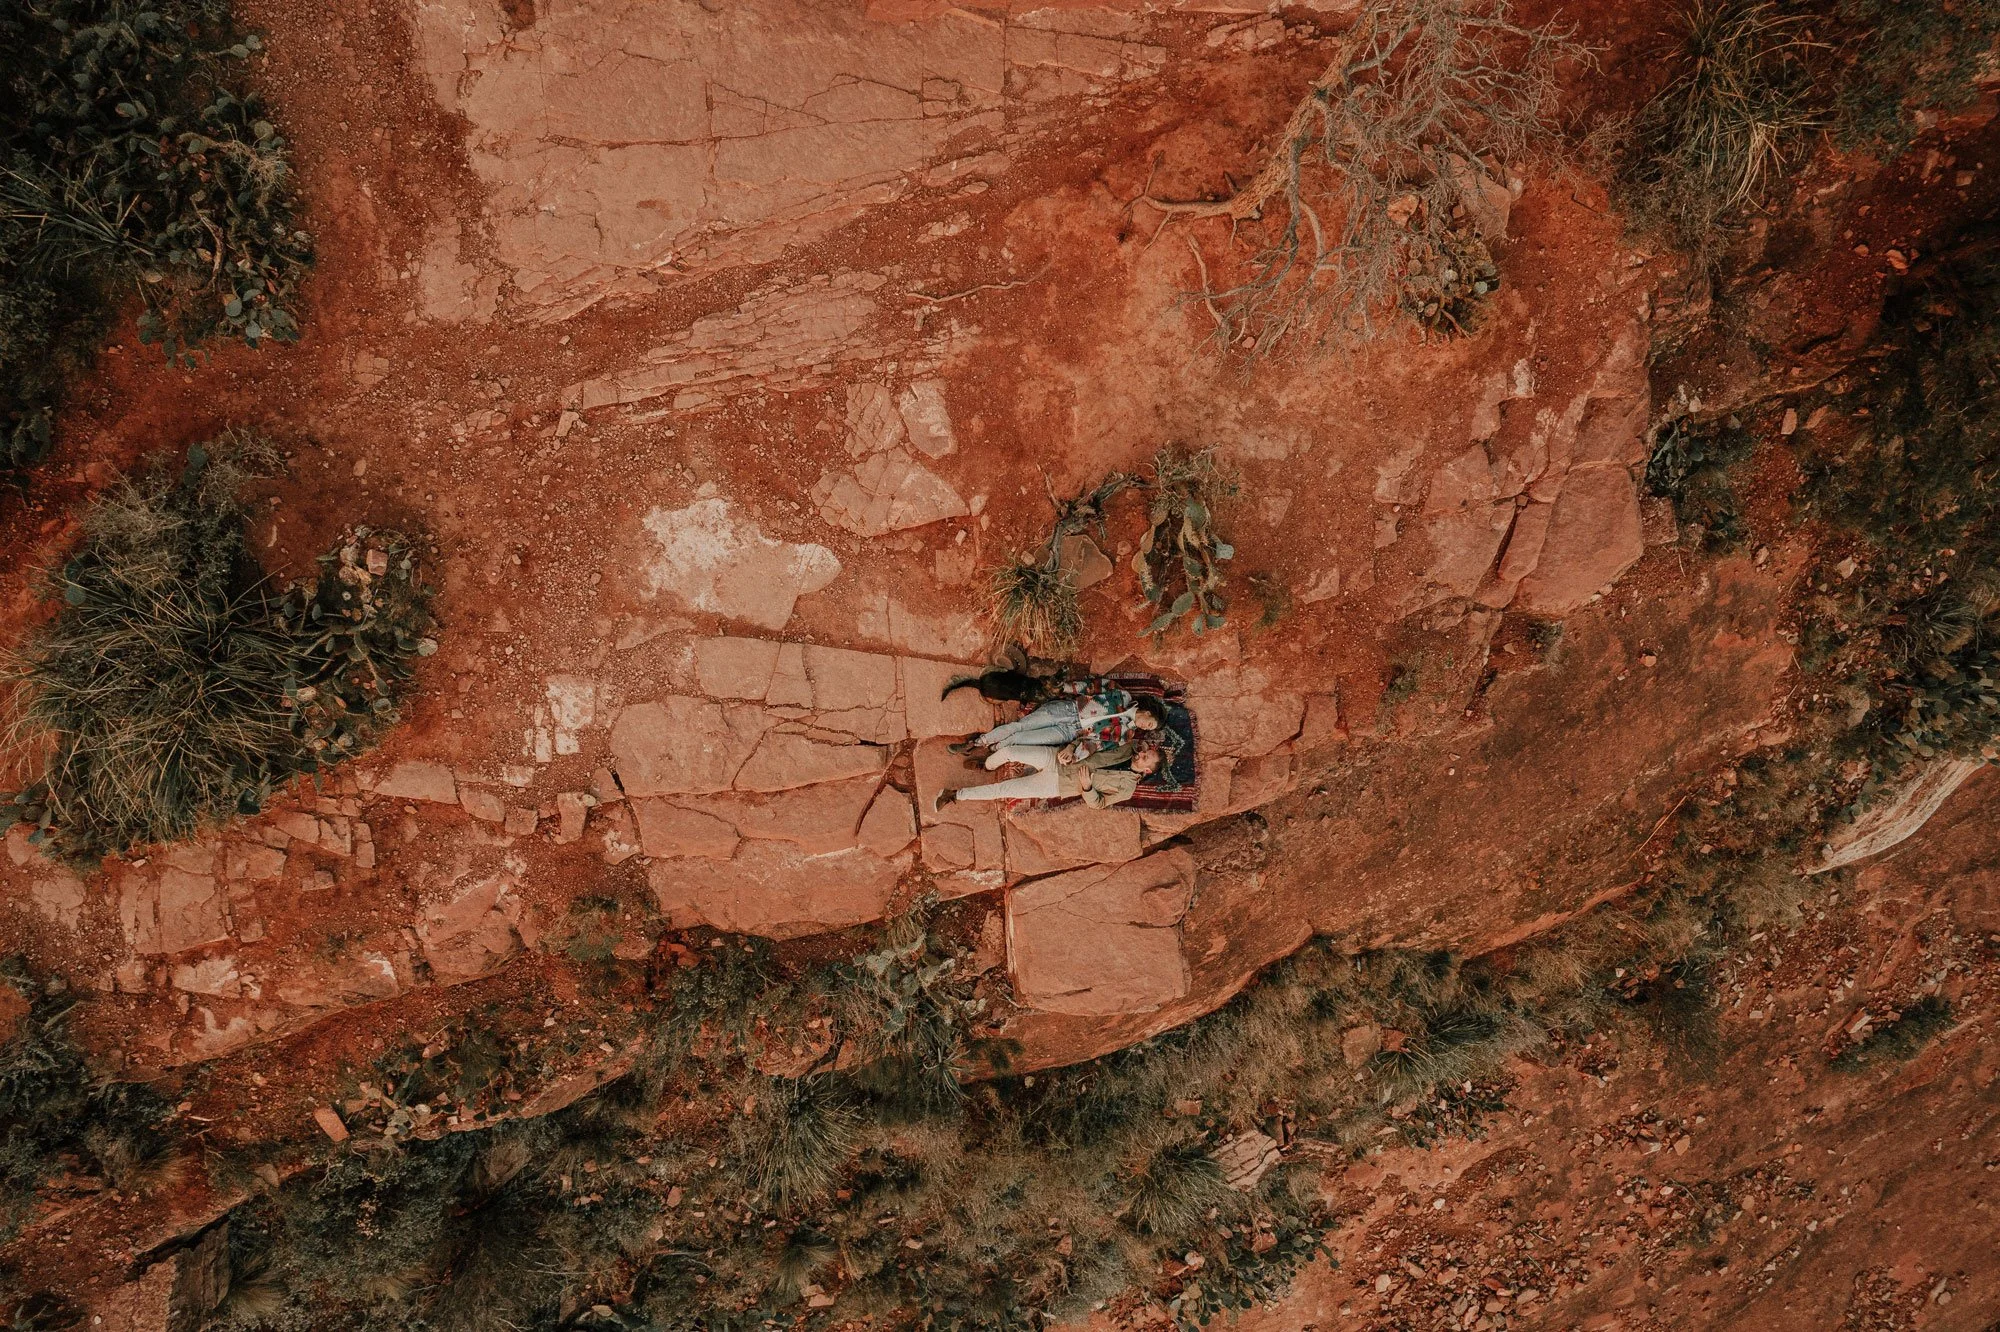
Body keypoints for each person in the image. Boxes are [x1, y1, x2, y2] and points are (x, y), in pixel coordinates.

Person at [936, 739, 1163, 810]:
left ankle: (955, 795)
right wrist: (1071, 747)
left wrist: (1087, 788)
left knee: (1004, 790)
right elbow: (1091, 738)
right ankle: (987, 766)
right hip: (1058, 758)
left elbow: (1099, 804)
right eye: (1144, 752)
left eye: (1145, 758)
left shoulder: (1127, 788)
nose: (1141, 755)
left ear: (1146, 770)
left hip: (1057, 784)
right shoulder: (1125, 747)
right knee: (1009, 751)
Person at [951, 684, 1166, 758]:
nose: (1145, 727)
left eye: (1149, 729)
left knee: (1022, 738)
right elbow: (1090, 687)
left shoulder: (1126, 735)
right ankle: (976, 743)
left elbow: (1098, 744)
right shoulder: (1121, 695)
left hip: (1070, 733)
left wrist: (1074, 754)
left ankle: (994, 748)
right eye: (1149, 723)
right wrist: (1061, 688)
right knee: (1020, 725)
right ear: (1147, 712)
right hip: (1068, 711)